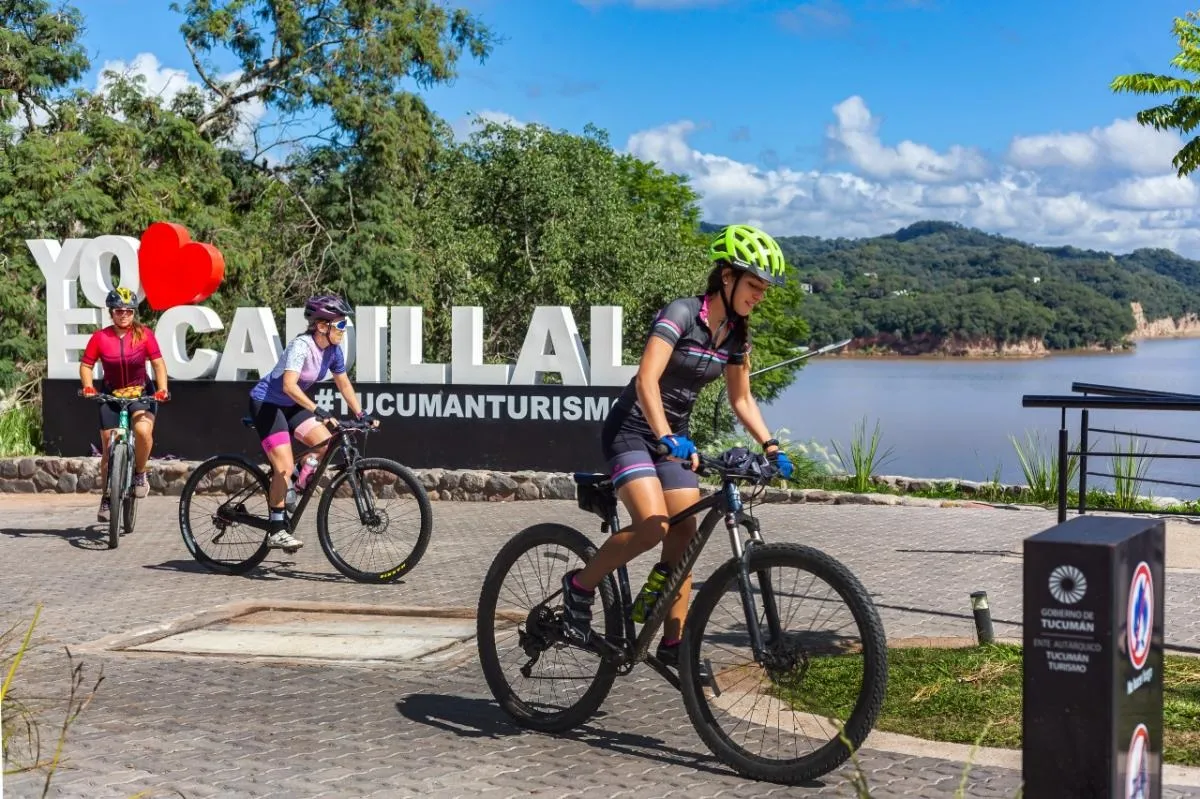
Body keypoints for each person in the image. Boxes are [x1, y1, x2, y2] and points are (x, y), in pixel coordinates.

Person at [561, 224, 796, 667]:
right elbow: (646, 379)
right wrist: (665, 435)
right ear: (726, 277)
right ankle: (580, 586)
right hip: (633, 430)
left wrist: (770, 446)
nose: (759, 296)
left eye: (764, 289)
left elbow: (741, 398)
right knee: (653, 527)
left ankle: (672, 644)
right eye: (754, 285)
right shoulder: (682, 314)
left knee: (685, 537)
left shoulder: (737, 336)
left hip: (674, 441)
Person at [247, 294, 375, 552]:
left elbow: (343, 383)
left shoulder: (333, 351)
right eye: (339, 324)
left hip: (291, 405)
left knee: (324, 443)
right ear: (321, 326)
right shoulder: (301, 347)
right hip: (267, 404)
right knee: (282, 466)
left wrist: (361, 415)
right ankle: (276, 529)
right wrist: (318, 409)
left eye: (344, 325)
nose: (343, 330)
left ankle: (293, 484)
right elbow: (288, 386)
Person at [80, 287, 170, 522]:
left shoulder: (145, 335)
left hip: (140, 393)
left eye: (129, 311)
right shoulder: (100, 338)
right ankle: (107, 496)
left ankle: (140, 473)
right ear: (111, 313)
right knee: (109, 451)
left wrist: (162, 390)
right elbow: (86, 365)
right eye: (119, 311)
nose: (124, 315)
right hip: (111, 395)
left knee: (142, 431)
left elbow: (158, 364)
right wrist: (89, 386)